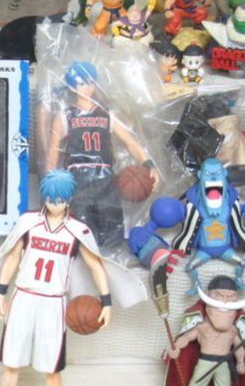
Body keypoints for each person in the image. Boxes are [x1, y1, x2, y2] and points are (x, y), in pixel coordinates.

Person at [0, 170, 111, 386]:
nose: (54, 204)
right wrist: (0, 291)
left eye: (60, 200)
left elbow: (95, 266)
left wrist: (106, 301)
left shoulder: (78, 230)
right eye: (50, 199)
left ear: (69, 199)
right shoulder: (28, 222)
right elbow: (13, 256)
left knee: (53, 370)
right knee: (11, 365)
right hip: (24, 297)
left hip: (53, 302)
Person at [44, 61, 159, 251]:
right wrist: (52, 181)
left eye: (90, 82)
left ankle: (111, 258)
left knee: (112, 223)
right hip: (77, 177)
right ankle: (85, 258)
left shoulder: (106, 114)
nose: (87, 87)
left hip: (105, 175)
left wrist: (148, 164)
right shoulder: (65, 115)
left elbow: (130, 141)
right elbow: (53, 149)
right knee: (80, 227)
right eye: (81, 83)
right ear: (72, 86)